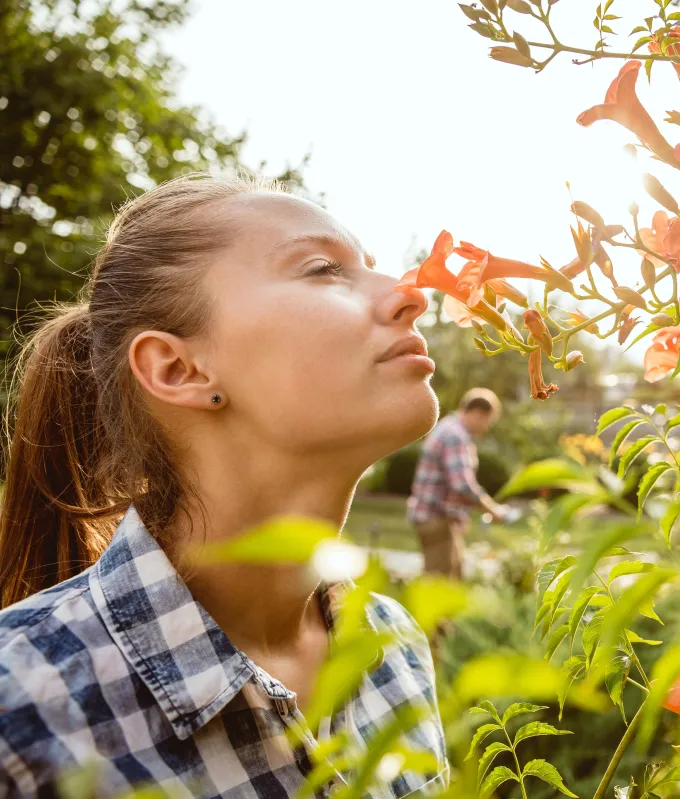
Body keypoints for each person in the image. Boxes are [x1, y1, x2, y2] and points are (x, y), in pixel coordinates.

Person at [0, 173, 448, 797]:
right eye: (324, 269)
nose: (412, 294)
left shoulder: (393, 644)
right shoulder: (19, 709)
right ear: (178, 368)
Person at [407, 388, 512, 580]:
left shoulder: (449, 428)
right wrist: (492, 509)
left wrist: (459, 515)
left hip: (437, 517)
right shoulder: (455, 435)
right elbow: (462, 485)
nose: (487, 428)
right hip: (436, 518)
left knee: (454, 574)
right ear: (478, 414)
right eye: (488, 421)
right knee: (439, 584)